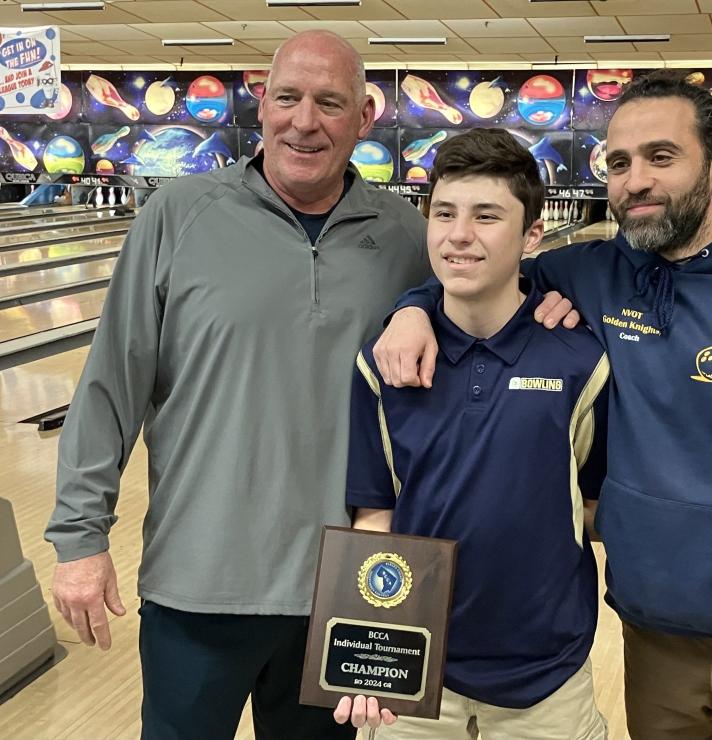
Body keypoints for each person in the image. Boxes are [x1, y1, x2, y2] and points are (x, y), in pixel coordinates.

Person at [372, 71, 712, 739]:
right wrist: (413, 308)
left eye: (661, 157)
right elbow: (479, 271)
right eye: (620, 161)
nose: (635, 181)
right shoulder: (596, 273)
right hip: (656, 641)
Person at [45, 30, 433, 740]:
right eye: (287, 98)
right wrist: (80, 537)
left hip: (341, 590)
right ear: (263, 102)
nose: (304, 121)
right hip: (199, 582)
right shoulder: (179, 213)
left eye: (329, 102)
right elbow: (110, 386)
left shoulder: (406, 232)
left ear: (365, 117)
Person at [335, 128, 609, 740]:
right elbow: (374, 518)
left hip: (549, 681)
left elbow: (592, 509)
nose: (460, 234)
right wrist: (366, 651)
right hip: (413, 676)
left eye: (487, 216)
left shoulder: (581, 362)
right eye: (444, 214)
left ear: (533, 235)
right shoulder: (385, 363)